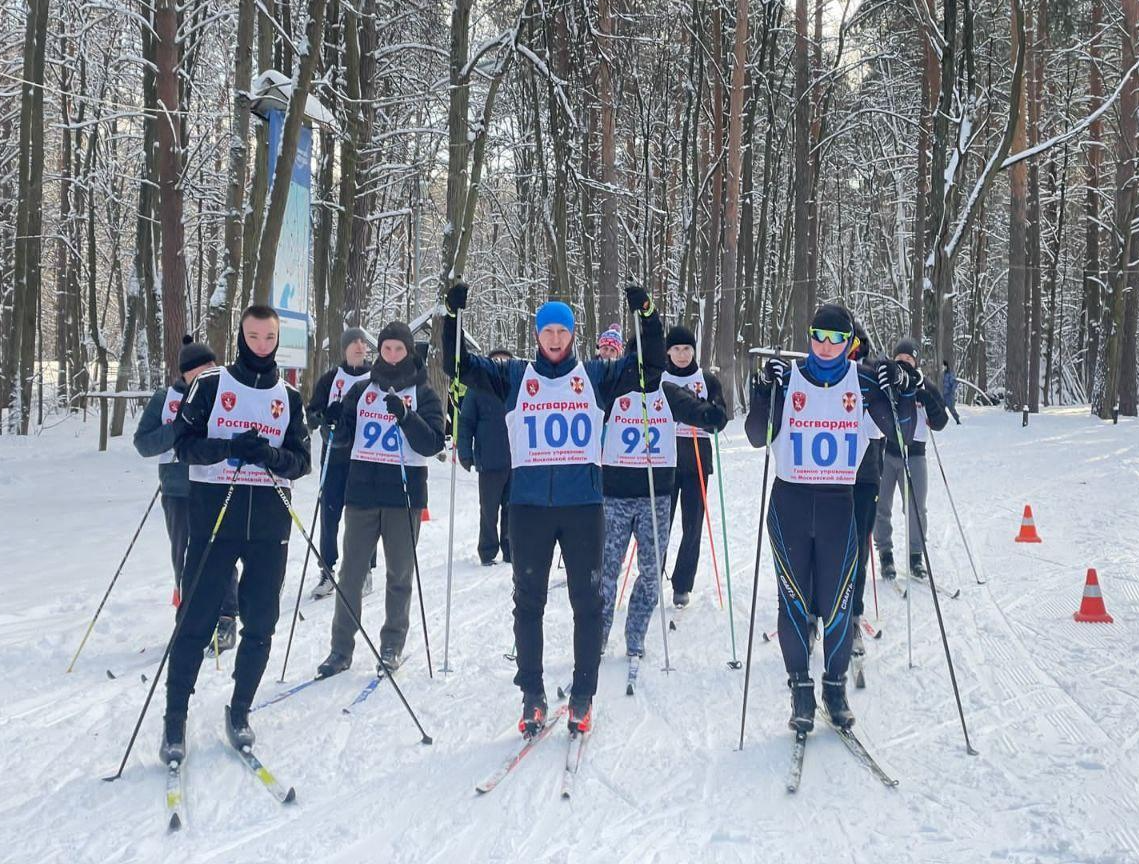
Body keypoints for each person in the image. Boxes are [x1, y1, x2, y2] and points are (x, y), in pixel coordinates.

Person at [443, 280, 664, 738]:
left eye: (563, 331)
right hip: (529, 509)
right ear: (537, 335)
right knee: (528, 603)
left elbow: (649, 371)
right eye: (548, 332)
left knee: (587, 601)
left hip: (582, 505)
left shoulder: (596, 377)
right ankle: (532, 695)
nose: (556, 339)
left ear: (573, 334)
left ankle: (583, 695)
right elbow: (458, 366)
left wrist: (646, 317)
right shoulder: (515, 377)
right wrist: (451, 318)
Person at [745, 303, 916, 733]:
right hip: (790, 505)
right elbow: (754, 435)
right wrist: (765, 391)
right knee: (794, 603)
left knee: (839, 605)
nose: (825, 346)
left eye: (836, 339)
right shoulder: (790, 381)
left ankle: (834, 688)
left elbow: (902, 433)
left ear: (849, 344)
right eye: (818, 336)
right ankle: (800, 691)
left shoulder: (861, 384)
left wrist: (900, 388)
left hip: (840, 505)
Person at [160, 305, 312, 763]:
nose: (261, 345)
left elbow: (302, 461)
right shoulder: (210, 385)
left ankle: (241, 708)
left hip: (269, 526)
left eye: (269, 337)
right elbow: (182, 446)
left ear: (277, 339)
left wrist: (268, 455)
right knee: (195, 621)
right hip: (215, 522)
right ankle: (174, 720)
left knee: (261, 624)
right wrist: (228, 448)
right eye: (253, 336)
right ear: (240, 335)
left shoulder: (290, 396)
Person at [315, 321, 445, 679]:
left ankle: (392, 645)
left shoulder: (424, 392)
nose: (391, 355)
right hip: (362, 494)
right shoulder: (360, 390)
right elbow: (342, 440)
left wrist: (406, 417)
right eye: (385, 349)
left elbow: (433, 443)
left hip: (404, 496)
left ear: (408, 352)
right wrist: (334, 422)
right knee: (351, 574)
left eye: (398, 349)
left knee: (398, 574)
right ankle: (340, 649)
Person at [599, 337, 727, 663]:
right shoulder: (611, 387)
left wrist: (712, 415)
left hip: (655, 495)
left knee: (650, 570)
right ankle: (596, 634)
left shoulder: (666, 392)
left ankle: (636, 634)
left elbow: (696, 409)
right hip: (616, 494)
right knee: (606, 568)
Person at [133, 336, 242, 654]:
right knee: (184, 557)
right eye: (203, 368)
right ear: (187, 373)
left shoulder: (225, 395)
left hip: (215, 484)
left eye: (213, 366)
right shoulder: (164, 399)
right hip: (178, 490)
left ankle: (225, 617)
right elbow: (143, 444)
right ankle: (193, 619)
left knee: (219, 553)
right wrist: (178, 429)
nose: (211, 372)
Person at [659, 326, 728, 608]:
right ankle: (652, 577)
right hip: (664, 458)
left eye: (687, 349)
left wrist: (707, 412)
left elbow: (720, 417)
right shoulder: (658, 379)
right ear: (668, 352)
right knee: (659, 523)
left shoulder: (707, 379)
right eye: (676, 349)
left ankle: (682, 584)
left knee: (693, 526)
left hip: (697, 458)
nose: (682, 354)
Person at [874, 338, 950, 581]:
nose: (904, 363)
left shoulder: (925, 385)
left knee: (917, 508)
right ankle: (885, 554)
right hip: (889, 454)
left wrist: (928, 400)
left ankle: (916, 556)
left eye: (909, 359)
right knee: (881, 506)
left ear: (916, 362)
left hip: (915, 454)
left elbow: (941, 422)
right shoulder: (888, 383)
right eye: (900, 359)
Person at [305, 327, 372, 599]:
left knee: (364, 518)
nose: (358, 346)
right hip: (334, 457)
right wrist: (324, 417)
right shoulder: (331, 378)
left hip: (365, 459)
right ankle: (327, 570)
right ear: (344, 348)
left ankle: (365, 568)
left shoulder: (375, 378)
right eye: (353, 342)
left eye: (362, 342)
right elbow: (311, 414)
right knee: (329, 516)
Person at [847, 322, 884, 665]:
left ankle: (853, 615)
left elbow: (887, 425)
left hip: (865, 477)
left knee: (858, 549)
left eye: (850, 342)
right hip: (827, 478)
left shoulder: (871, 375)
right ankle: (816, 612)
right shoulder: (823, 375)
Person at [457, 348, 514, 566]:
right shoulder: (477, 388)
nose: (500, 365)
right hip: (489, 460)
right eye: (496, 361)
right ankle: (488, 550)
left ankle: (510, 549)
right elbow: (466, 422)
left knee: (512, 508)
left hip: (516, 461)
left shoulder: (516, 388)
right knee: (489, 510)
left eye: (505, 362)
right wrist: (465, 452)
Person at [942, 360, 962, 424]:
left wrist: (951, 391)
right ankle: (941, 421)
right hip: (942, 395)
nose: (943, 367)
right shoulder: (941, 374)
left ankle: (957, 420)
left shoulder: (950, 374)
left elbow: (954, 383)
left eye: (944, 366)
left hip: (949, 395)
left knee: (951, 408)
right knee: (940, 408)